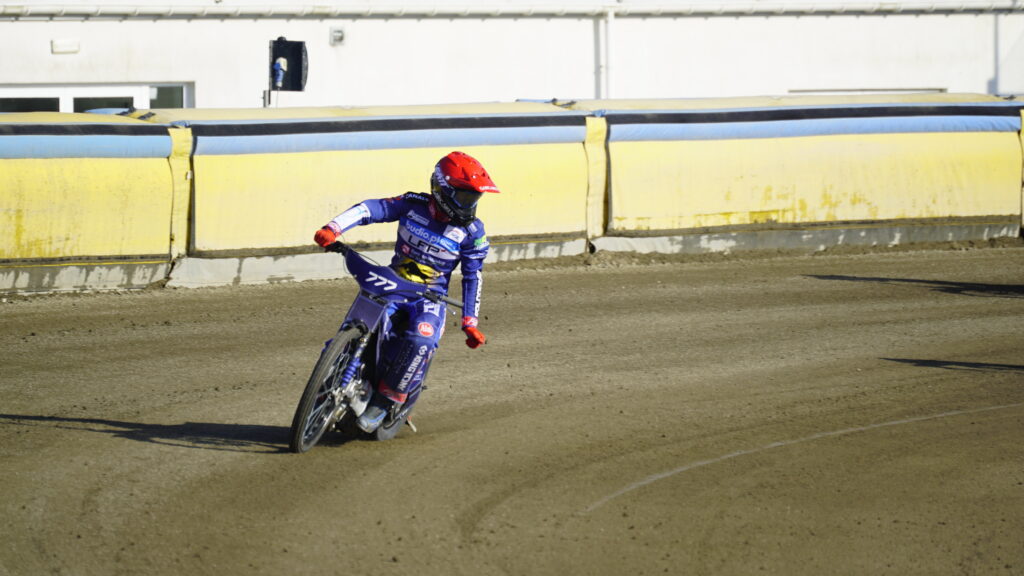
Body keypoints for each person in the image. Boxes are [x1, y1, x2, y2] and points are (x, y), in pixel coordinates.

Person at [313, 151, 497, 432]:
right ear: (442, 190)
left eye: (474, 198)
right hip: (393, 282)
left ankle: (387, 399)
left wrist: (470, 322)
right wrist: (333, 228)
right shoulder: (413, 204)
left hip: (430, 298)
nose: (469, 204)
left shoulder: (473, 232)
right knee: (358, 323)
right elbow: (371, 208)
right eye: (464, 197)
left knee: (422, 338)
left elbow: (473, 276)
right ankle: (328, 379)